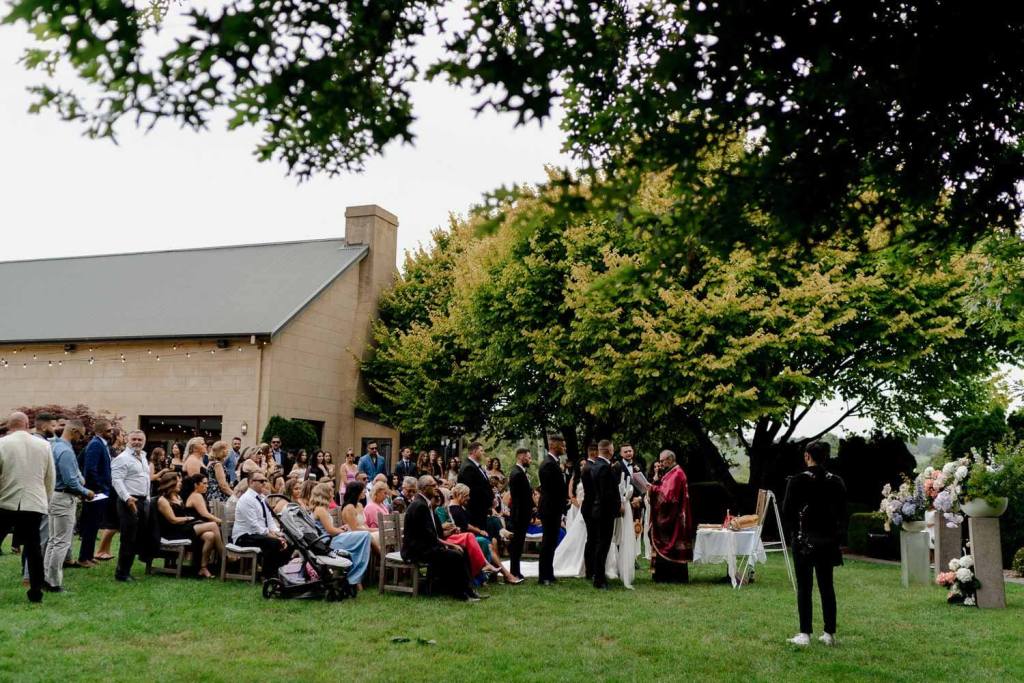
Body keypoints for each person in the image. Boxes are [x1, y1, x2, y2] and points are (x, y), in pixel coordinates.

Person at [783, 440, 847, 647]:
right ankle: (829, 633)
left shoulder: (797, 481)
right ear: (825, 457)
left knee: (805, 587)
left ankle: (805, 633)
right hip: (828, 541)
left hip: (803, 540)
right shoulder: (836, 481)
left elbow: (787, 512)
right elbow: (842, 513)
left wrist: (796, 533)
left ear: (807, 456)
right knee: (827, 586)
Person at [0, 412, 56, 602]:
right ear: (27, 424)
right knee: (34, 548)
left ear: (10, 425)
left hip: (6, 500)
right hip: (34, 502)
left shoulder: (2, 443)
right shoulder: (43, 445)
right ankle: (36, 590)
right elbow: (50, 477)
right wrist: (45, 499)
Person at [402, 475, 483, 602]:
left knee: (462, 549)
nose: (436, 488)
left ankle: (468, 590)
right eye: (433, 485)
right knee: (455, 555)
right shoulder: (420, 506)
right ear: (424, 488)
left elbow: (435, 533)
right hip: (416, 550)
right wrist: (448, 545)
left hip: (426, 546)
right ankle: (460, 593)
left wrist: (449, 537)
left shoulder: (426, 505)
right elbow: (427, 536)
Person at [43, 419, 94, 592]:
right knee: (61, 543)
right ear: (74, 431)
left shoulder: (55, 446)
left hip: (54, 495)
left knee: (53, 540)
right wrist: (86, 492)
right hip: (64, 498)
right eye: (81, 435)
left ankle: (46, 577)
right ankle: (53, 583)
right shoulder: (65, 450)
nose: (81, 439)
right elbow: (70, 481)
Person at [307, 483, 372, 588]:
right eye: (331, 493)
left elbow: (329, 529)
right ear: (325, 494)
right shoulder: (321, 510)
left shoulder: (320, 509)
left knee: (363, 537)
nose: (333, 495)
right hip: (328, 542)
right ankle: (355, 576)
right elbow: (331, 531)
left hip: (330, 539)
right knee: (365, 536)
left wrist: (341, 529)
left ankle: (355, 577)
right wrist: (343, 531)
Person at [110, 430, 153, 582]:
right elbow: (117, 480)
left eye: (140, 440)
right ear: (128, 440)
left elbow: (146, 479)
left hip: (142, 501)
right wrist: (127, 498)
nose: (137, 442)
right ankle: (122, 573)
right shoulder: (122, 458)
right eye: (134, 439)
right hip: (128, 501)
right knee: (128, 538)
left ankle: (126, 570)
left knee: (137, 537)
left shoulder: (143, 457)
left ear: (144, 441)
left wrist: (147, 498)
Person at [232, 472, 292, 580]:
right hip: (244, 536)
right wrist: (272, 535)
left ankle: (282, 573)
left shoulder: (262, 498)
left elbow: (269, 519)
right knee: (274, 542)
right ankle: (268, 575)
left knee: (288, 539)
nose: (264, 483)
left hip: (257, 534)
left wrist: (278, 532)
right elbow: (254, 526)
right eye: (261, 481)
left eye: (265, 480)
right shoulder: (246, 499)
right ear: (251, 482)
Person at [648, 449, 694, 584]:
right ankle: (664, 576)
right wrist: (656, 481)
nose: (660, 463)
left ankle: (671, 577)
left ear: (670, 459)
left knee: (672, 545)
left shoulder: (677, 474)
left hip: (674, 519)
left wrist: (652, 489)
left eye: (662, 461)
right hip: (675, 518)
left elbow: (668, 498)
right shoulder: (671, 472)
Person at [79, 418, 113, 566]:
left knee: (95, 525)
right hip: (96, 492)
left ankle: (89, 555)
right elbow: (90, 469)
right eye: (108, 430)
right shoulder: (95, 444)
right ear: (99, 431)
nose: (111, 433)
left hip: (101, 491)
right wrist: (100, 488)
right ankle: (83, 558)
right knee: (90, 525)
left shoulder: (102, 444)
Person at [590, 439, 621, 589]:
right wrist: (617, 507)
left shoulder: (596, 464)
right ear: (609, 450)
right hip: (604, 512)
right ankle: (599, 579)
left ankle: (598, 576)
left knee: (601, 545)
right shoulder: (603, 467)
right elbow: (606, 493)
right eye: (613, 448)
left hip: (599, 510)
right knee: (603, 545)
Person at [537, 436, 567, 585]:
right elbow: (552, 489)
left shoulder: (554, 463)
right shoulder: (548, 464)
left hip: (553, 508)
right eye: (563, 446)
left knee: (552, 541)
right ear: (554, 446)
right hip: (550, 508)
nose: (565, 448)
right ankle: (543, 576)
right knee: (547, 542)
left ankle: (549, 573)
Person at [183, 474, 226, 577]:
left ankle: (203, 568)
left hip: (199, 527)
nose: (207, 486)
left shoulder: (200, 495)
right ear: (196, 485)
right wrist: (221, 521)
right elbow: (204, 514)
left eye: (207, 483)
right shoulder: (196, 495)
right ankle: (224, 557)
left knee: (210, 536)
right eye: (204, 483)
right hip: (190, 527)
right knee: (213, 525)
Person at [507, 448, 533, 580]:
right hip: (519, 514)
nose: (530, 460)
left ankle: (516, 570)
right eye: (528, 457)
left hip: (522, 513)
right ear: (521, 457)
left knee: (519, 544)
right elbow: (518, 498)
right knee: (516, 544)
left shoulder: (520, 472)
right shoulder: (517, 473)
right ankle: (514, 571)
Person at [457, 442, 493, 531]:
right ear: (474, 451)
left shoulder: (476, 466)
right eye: (481, 451)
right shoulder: (468, 467)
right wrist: (489, 500)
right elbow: (474, 491)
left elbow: (484, 485)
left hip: (481, 509)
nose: (483, 453)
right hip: (475, 510)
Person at [340, 481, 381, 555]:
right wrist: (373, 530)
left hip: (364, 531)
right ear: (356, 492)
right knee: (378, 534)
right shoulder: (349, 508)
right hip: (354, 534)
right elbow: (354, 529)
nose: (365, 491)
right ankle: (381, 556)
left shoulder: (359, 505)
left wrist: (373, 530)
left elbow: (364, 524)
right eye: (362, 490)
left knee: (382, 533)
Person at [180, 437, 208, 502]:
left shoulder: (198, 459)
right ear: (195, 448)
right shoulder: (193, 460)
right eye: (202, 444)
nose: (205, 446)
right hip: (193, 497)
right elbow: (195, 483)